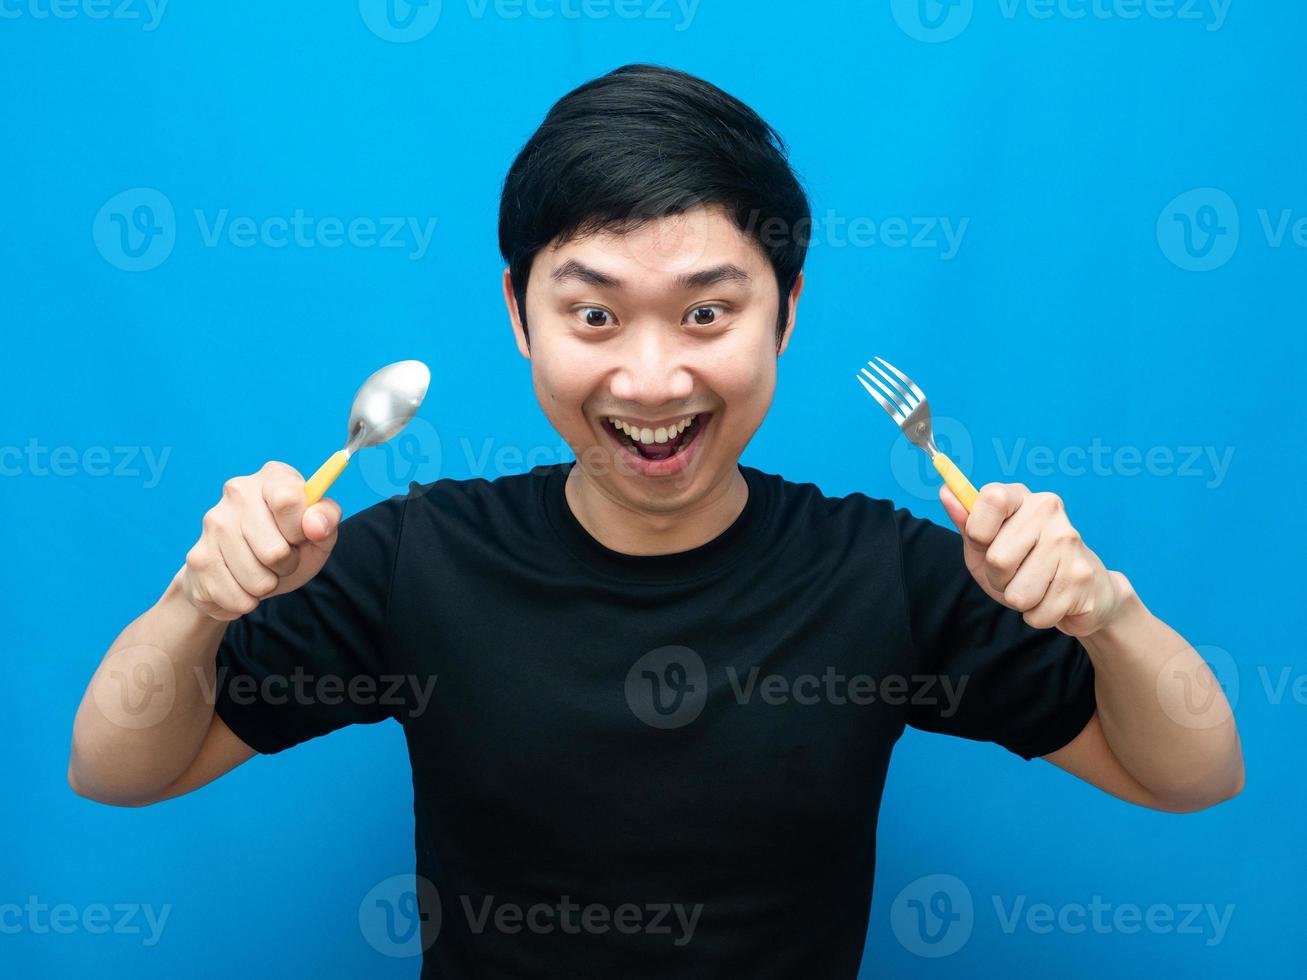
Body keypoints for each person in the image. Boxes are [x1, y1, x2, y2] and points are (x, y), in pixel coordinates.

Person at [69, 64, 1244, 978]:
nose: (647, 378)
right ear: (518, 317)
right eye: (591, 315)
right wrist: (196, 603)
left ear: (784, 312)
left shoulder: (884, 572)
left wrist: (1108, 614)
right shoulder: (416, 555)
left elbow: (1191, 773)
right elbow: (119, 768)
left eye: (703, 314)